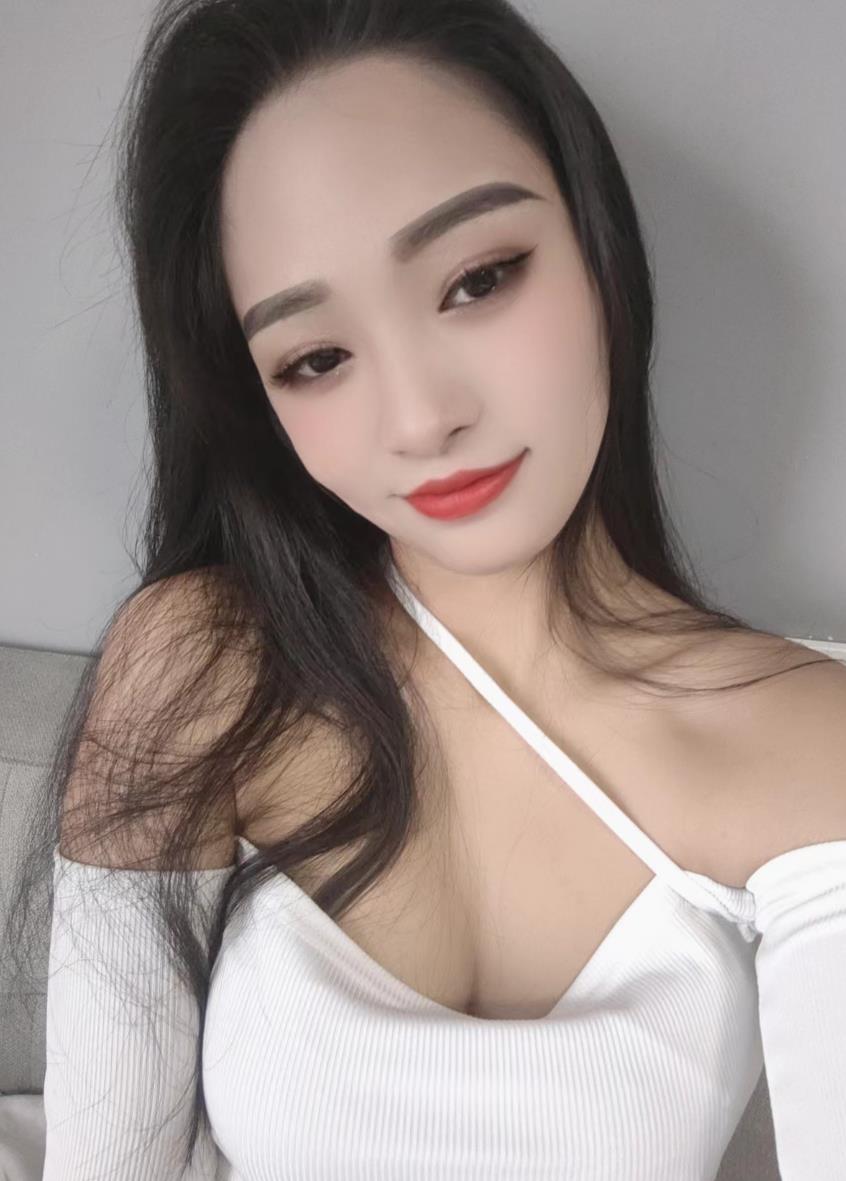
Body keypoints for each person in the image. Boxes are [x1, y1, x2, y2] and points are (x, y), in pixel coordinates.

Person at [9, 0, 845, 1177]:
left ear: (597, 244)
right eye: (316, 358)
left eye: (478, 278)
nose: (420, 417)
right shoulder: (203, 662)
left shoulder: (807, 737)